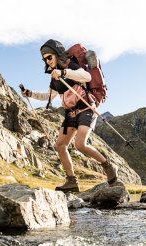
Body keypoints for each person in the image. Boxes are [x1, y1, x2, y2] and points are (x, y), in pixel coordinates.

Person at [21, 39, 118, 192]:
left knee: (80, 145)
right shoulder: (54, 76)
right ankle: (72, 181)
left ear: (57, 55)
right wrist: (30, 93)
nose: (47, 61)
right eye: (44, 59)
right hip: (70, 114)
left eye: (49, 57)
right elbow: (48, 96)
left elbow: (87, 77)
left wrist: (64, 72)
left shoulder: (70, 66)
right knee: (60, 145)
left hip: (86, 108)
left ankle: (108, 166)